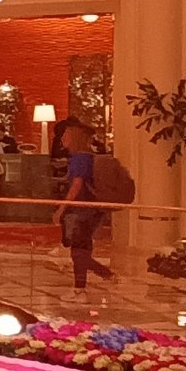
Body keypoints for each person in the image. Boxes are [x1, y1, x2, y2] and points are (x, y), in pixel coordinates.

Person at [56, 118, 114, 293]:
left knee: (79, 251)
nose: (62, 138)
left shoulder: (80, 159)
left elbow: (76, 185)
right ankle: (85, 285)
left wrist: (61, 208)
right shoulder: (88, 157)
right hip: (92, 210)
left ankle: (91, 282)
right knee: (81, 250)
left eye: (66, 135)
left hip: (83, 211)